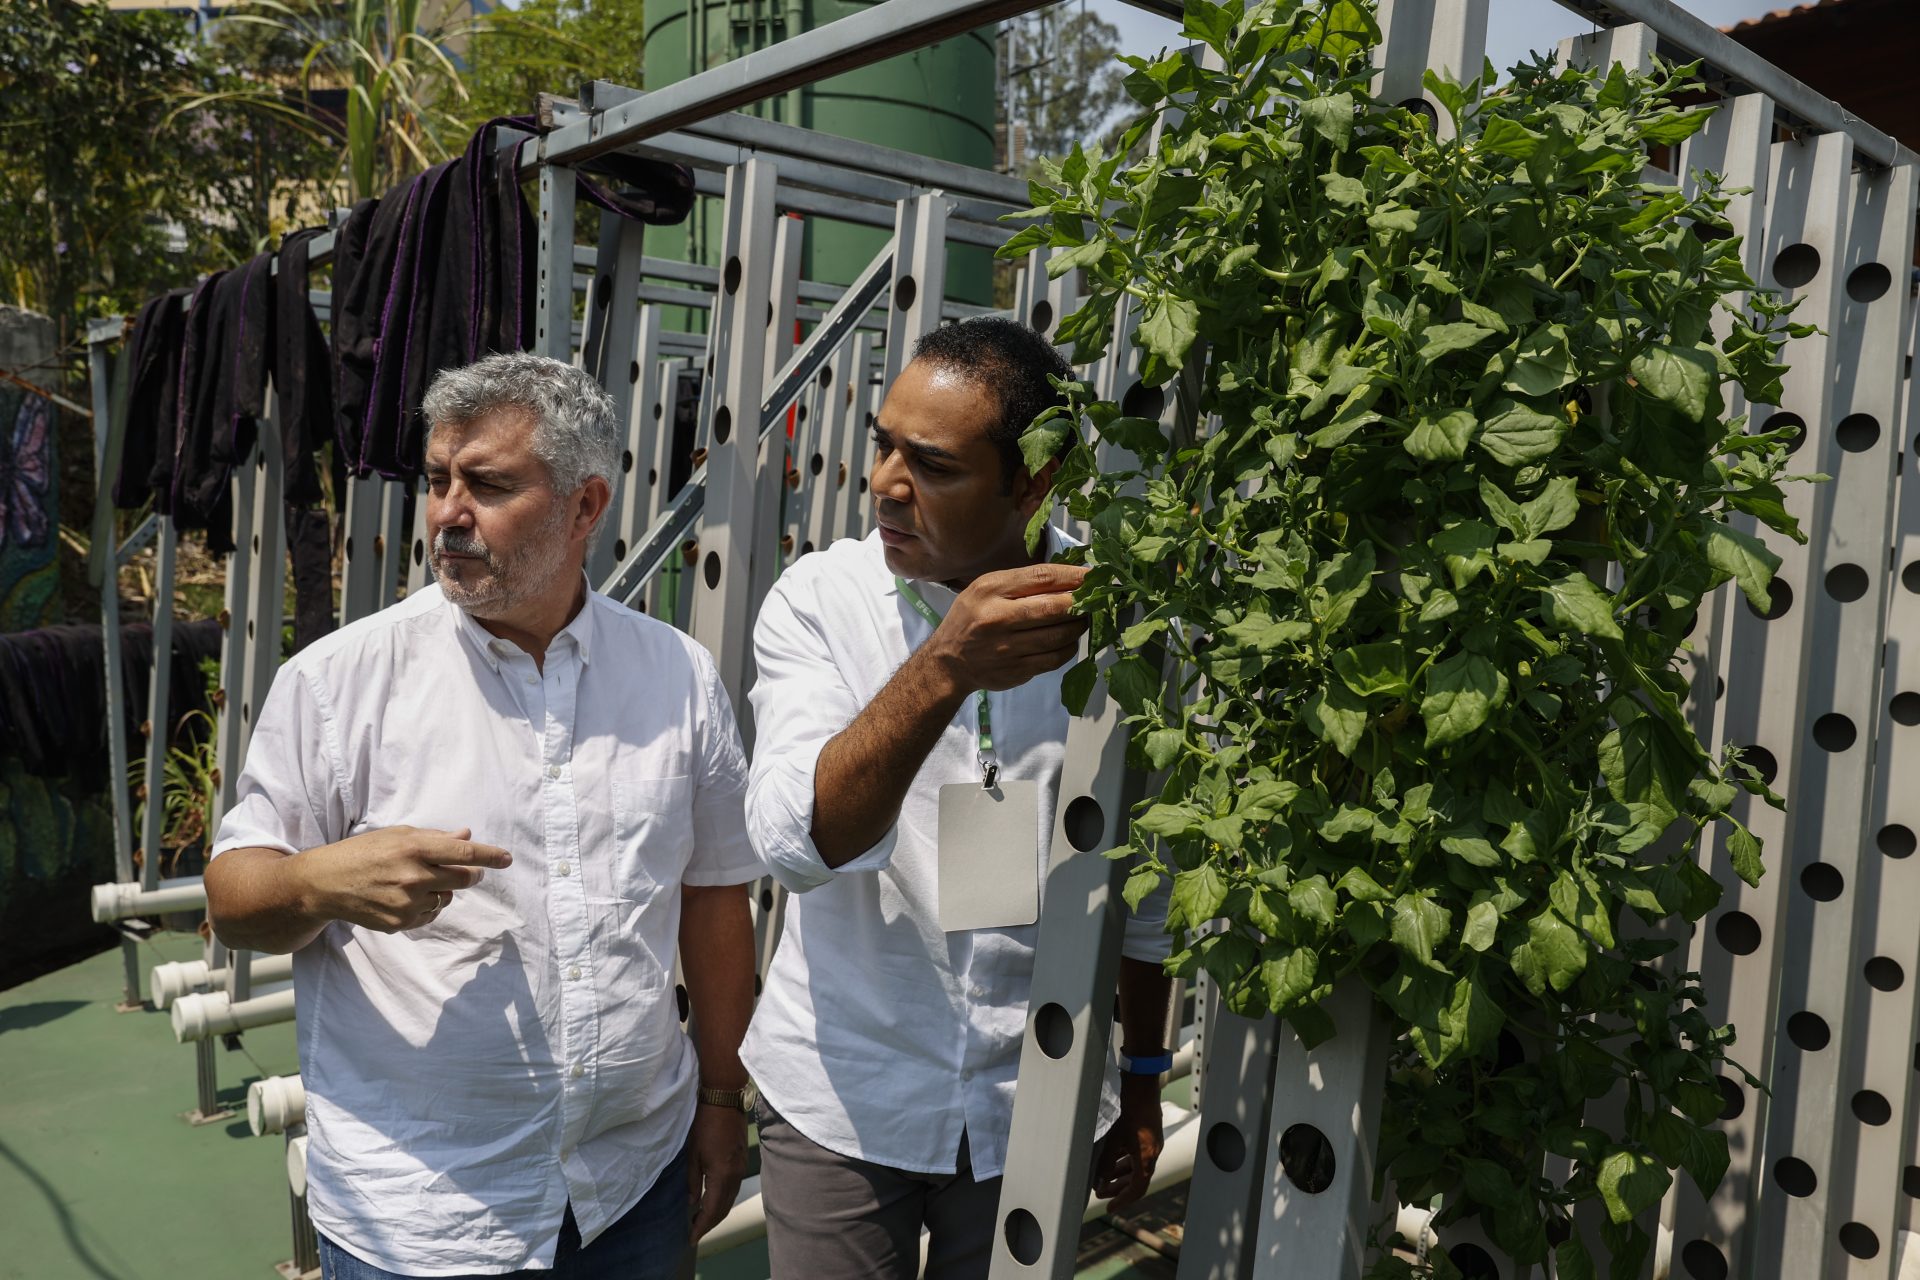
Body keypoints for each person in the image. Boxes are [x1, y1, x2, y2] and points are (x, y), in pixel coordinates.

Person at [204, 353, 763, 1279]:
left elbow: (711, 899)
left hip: (634, 1183)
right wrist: (317, 882)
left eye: (488, 485)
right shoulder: (341, 684)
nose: (448, 514)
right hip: (424, 1215)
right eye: (437, 481)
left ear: (586, 507)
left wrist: (718, 1098)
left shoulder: (677, 680)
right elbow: (232, 900)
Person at [741, 318, 1174, 1278]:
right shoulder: (821, 601)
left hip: (1040, 1093)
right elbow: (793, 845)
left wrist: (1142, 1079)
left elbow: (1146, 887)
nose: (887, 485)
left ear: (1033, 482)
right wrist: (943, 667)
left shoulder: (1117, 619)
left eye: (933, 466)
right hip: (847, 1093)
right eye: (884, 446)